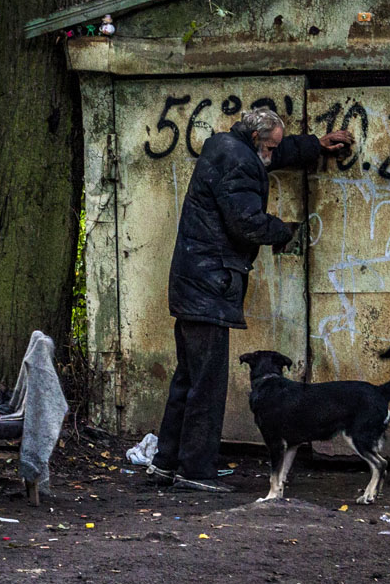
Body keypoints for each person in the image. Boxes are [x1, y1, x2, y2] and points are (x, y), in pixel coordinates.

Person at [148, 106, 352, 492]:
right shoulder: (240, 161)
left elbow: (270, 155)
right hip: (210, 285)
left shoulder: (224, 145)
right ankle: (195, 471)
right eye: (270, 146)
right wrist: (285, 231)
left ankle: (166, 463)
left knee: (188, 378)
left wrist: (314, 145)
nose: (273, 153)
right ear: (257, 139)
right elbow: (246, 222)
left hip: (194, 281)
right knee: (207, 385)